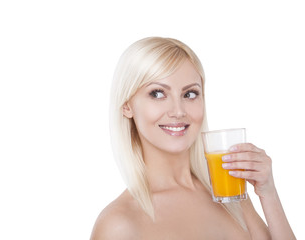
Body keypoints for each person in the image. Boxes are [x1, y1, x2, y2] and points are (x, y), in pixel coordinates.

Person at [90, 37, 296, 239]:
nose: (178, 111)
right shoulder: (118, 225)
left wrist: (268, 193)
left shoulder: (230, 194)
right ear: (127, 106)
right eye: (158, 93)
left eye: (189, 94)